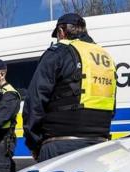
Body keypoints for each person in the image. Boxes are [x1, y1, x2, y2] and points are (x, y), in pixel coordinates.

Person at [23, 13, 117, 162]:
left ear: (61, 32)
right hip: (99, 145)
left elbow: (35, 101)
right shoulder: (105, 57)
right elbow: (111, 105)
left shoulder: (58, 52)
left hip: (61, 146)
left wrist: (33, 143)